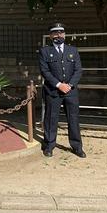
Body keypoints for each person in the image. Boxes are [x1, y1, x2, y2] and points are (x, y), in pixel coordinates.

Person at [39, 23, 86, 158]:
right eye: (55, 33)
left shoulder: (73, 50)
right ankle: (49, 145)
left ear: (64, 34)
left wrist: (69, 85)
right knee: (51, 118)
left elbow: (78, 70)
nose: (59, 35)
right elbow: (45, 71)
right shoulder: (45, 51)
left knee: (73, 119)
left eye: (61, 32)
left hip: (71, 91)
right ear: (50, 35)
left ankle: (77, 147)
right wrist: (59, 85)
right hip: (53, 91)